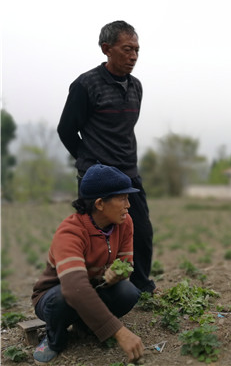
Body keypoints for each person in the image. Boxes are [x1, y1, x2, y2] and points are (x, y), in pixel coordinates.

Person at [57, 20, 156, 293]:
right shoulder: (86, 85)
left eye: (137, 49)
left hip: (127, 175)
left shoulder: (136, 86)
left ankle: (140, 286)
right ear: (106, 49)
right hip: (97, 178)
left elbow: (123, 130)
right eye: (127, 49)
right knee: (94, 236)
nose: (134, 56)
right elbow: (66, 129)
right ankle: (90, 290)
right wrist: (89, 164)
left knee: (142, 232)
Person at [31, 163, 145, 364]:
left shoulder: (124, 222)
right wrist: (119, 331)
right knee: (62, 298)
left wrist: (115, 275)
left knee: (128, 292)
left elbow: (126, 264)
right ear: (100, 204)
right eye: (122, 198)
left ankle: (87, 324)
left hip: (94, 288)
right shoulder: (70, 232)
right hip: (54, 296)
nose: (128, 205)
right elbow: (75, 288)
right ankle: (54, 339)